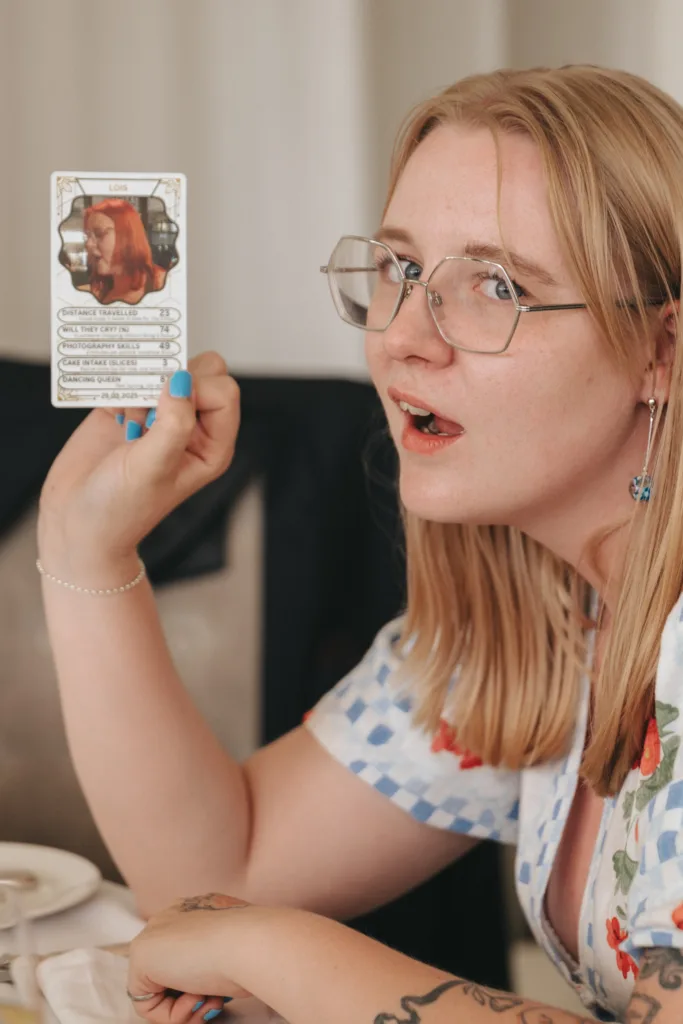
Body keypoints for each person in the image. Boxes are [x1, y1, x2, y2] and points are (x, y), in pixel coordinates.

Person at [36, 64, 683, 1023]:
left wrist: (278, 949)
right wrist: (87, 547)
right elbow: (220, 869)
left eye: (495, 285)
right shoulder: (538, 623)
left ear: (660, 351)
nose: (403, 339)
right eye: (401, 270)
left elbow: (236, 915)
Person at [77, 198, 167, 304]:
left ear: (128, 236)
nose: (88, 244)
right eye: (87, 236)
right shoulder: (99, 290)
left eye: (99, 234)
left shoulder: (165, 283)